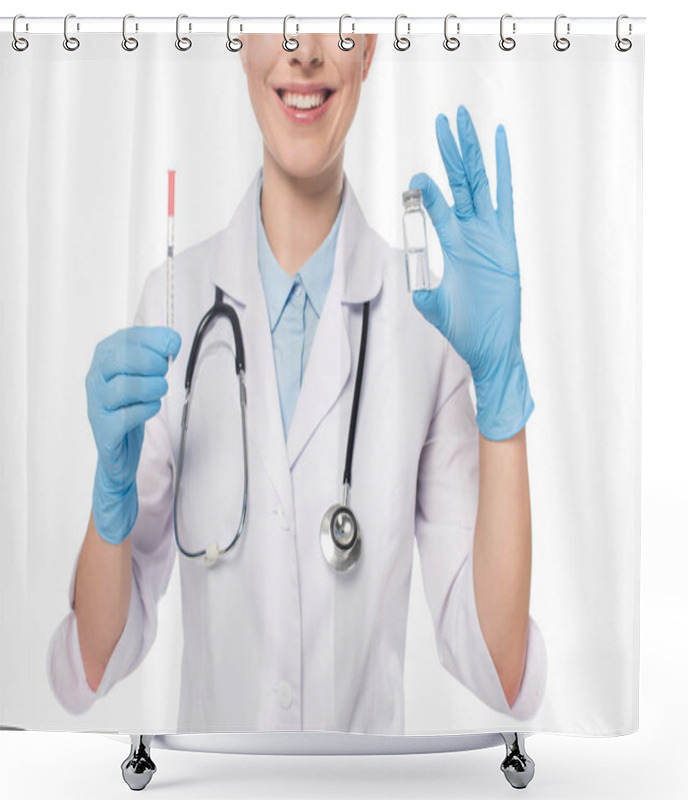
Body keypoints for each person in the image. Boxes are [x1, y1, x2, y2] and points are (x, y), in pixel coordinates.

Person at [47, 32, 546, 734]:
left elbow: (500, 665)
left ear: (369, 47)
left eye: (334, 20)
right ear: (238, 41)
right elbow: (90, 664)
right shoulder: (175, 302)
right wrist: (111, 498)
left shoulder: (426, 324)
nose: (302, 50)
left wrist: (502, 390)